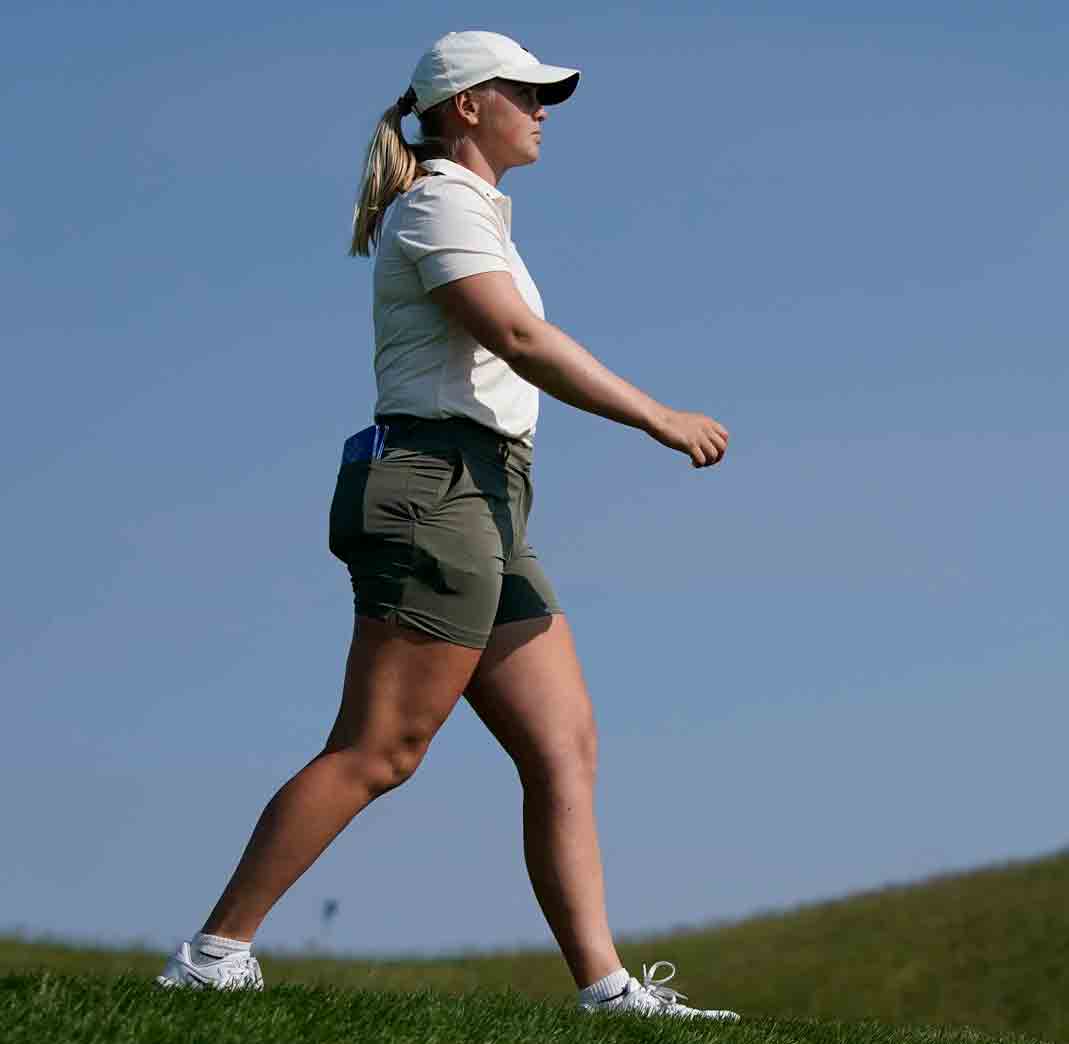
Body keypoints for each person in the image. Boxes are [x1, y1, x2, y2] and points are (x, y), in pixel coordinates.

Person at [154, 30, 738, 1021]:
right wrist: (656, 415)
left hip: (492, 496)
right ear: (467, 105)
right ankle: (215, 953)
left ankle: (606, 991)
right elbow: (514, 335)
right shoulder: (436, 205)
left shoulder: (476, 212)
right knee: (381, 748)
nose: (542, 110)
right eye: (525, 93)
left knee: (563, 743)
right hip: (435, 491)